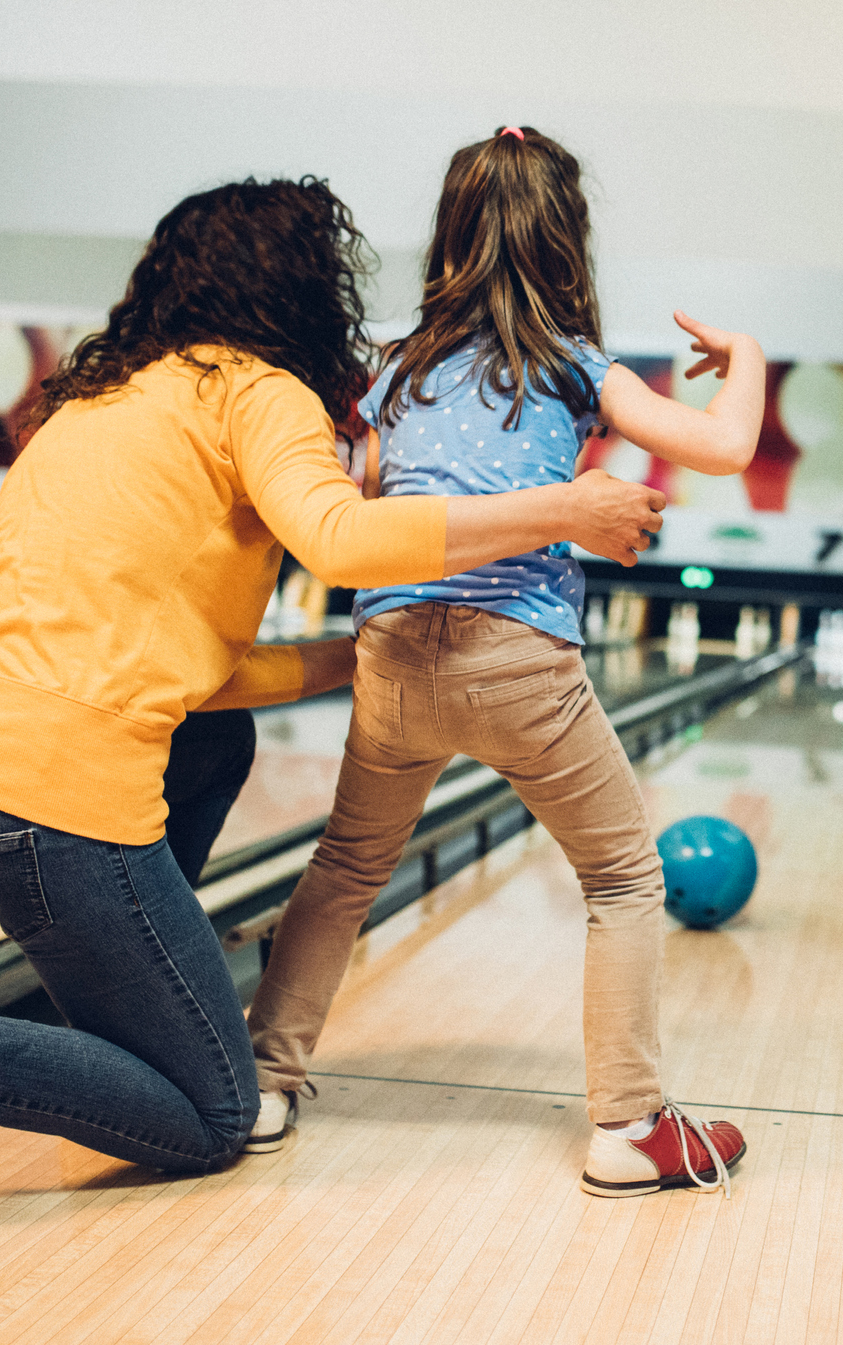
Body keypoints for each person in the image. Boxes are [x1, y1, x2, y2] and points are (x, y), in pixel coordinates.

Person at [0, 176, 667, 1229]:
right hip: (41, 795)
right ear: (304, 290)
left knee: (216, 740)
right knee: (211, 1110)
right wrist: (562, 507)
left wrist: (355, 655)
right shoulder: (260, 393)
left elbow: (192, 675)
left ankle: (120, 1011)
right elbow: (338, 537)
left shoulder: (101, 397)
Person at [243, 127, 765, 1197]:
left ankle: (260, 1081)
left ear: (447, 235)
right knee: (623, 875)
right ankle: (626, 1122)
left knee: (343, 873)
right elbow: (722, 447)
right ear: (566, 241)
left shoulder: (392, 368)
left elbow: (360, 491)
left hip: (393, 655)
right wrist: (745, 361)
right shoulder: (578, 364)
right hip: (520, 658)